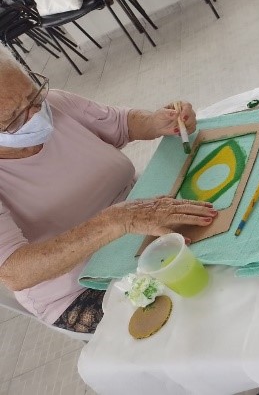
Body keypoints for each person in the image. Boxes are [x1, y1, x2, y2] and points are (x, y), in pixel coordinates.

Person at [0, 59, 217, 333]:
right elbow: (15, 271)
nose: (35, 114)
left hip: (143, 225)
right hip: (79, 285)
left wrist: (155, 122)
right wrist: (116, 221)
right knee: (196, 317)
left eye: (33, 95)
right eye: (14, 118)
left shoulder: (55, 104)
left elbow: (122, 123)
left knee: (223, 254)